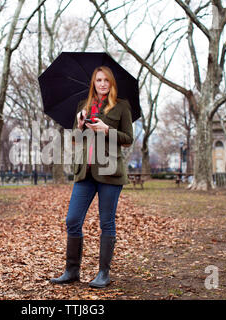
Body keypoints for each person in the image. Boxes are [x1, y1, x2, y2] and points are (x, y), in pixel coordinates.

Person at [50, 66, 133, 288]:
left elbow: (128, 139)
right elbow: (76, 140)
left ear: (111, 83)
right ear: (93, 83)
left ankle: (103, 273)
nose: (102, 84)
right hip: (84, 171)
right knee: (72, 220)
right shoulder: (83, 107)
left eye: (106, 80)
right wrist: (79, 125)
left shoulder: (122, 106)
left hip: (109, 171)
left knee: (107, 222)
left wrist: (106, 129)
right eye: (99, 80)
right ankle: (71, 271)